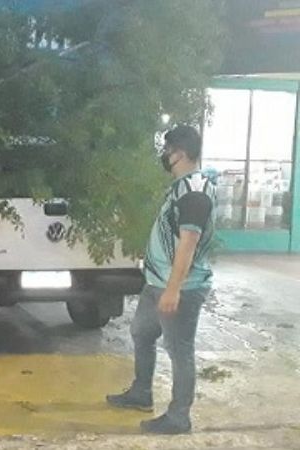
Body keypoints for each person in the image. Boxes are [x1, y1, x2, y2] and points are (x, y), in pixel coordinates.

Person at [106, 125, 216, 435]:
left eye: (167, 150)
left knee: (180, 350)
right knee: (141, 333)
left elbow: (188, 242)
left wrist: (173, 289)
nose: (164, 156)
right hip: (156, 283)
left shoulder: (194, 191)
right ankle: (141, 393)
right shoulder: (182, 186)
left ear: (180, 153)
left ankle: (179, 416)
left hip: (180, 287)